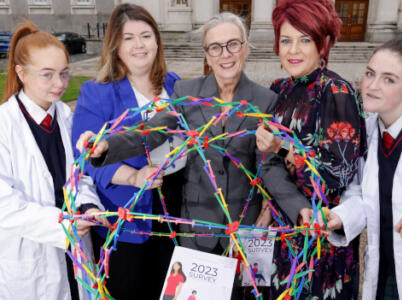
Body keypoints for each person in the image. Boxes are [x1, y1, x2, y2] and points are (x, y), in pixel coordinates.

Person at [76, 12, 281, 256]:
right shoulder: (188, 92)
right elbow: (152, 131)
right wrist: (107, 146)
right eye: (215, 47)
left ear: (246, 48)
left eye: (233, 44)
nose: (225, 53)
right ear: (206, 53)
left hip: (239, 222)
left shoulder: (265, 100)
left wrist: (271, 207)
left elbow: (268, 165)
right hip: (187, 221)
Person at [255, 0, 366, 298]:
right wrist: (266, 206)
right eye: (286, 40)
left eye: (305, 40)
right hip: (280, 233)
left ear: (323, 43)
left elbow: (339, 174)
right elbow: (268, 164)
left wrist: (283, 148)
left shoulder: (336, 92)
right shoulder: (280, 89)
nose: (293, 50)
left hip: (318, 240)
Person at [71, 4, 183, 299]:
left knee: (172, 290)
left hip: (176, 205)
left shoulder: (175, 85)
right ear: (115, 45)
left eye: (145, 35)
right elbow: (86, 158)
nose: (139, 45)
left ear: (157, 41)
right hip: (127, 214)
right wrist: (133, 176)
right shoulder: (97, 92)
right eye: (129, 37)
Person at [326, 37, 402, 300]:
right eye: (370, 74)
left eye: (389, 79)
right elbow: (360, 193)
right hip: (381, 272)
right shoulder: (368, 131)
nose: (372, 85)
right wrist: (340, 217)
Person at [0, 21, 105, 299]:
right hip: (31, 257)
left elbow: (79, 176)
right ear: (21, 73)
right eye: (47, 75)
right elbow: (5, 206)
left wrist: (88, 206)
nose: (59, 84)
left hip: (75, 254)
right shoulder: (4, 125)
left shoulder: (66, 116)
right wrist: (63, 224)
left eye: (64, 73)